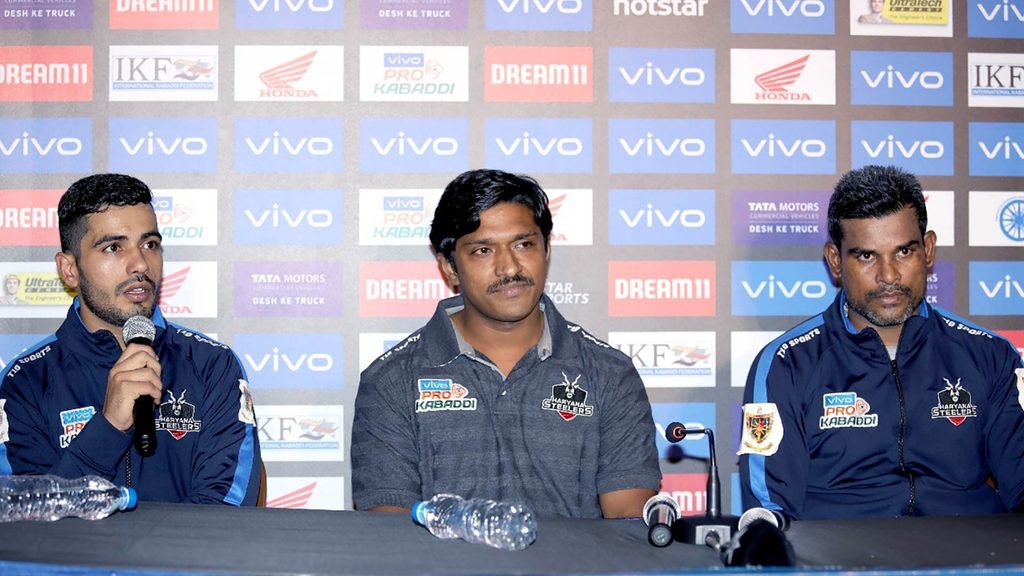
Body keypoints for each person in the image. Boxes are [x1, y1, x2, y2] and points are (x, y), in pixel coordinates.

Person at [351, 169, 661, 518]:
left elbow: (627, 530)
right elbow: (392, 534)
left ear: (546, 250)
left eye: (523, 244)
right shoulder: (391, 380)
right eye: (483, 250)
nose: (509, 268)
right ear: (449, 268)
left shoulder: (609, 374)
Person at [739, 165, 1024, 520]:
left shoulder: (992, 356)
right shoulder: (785, 364)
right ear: (835, 261)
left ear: (928, 250)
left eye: (904, 252)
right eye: (866, 255)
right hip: (840, 564)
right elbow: (770, 511)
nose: (888, 276)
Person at [0, 173, 262, 505]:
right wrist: (108, 427)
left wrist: (145, 555)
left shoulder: (212, 365)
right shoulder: (25, 382)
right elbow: (24, 518)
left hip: (184, 558)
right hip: (75, 559)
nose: (140, 264)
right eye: (113, 247)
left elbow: (224, 512)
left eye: (150, 244)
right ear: (69, 269)